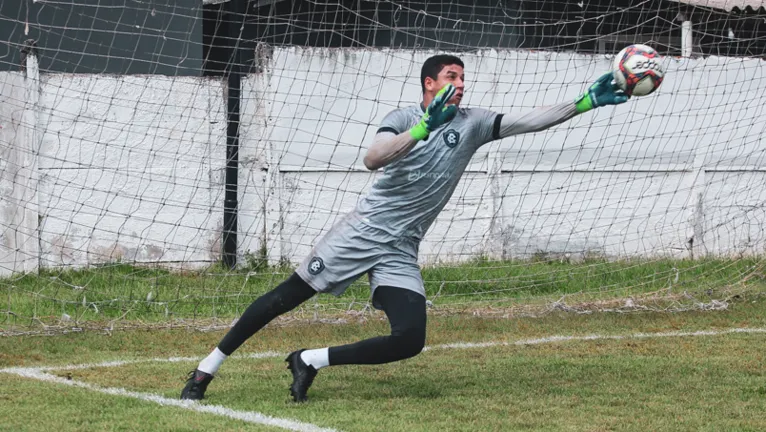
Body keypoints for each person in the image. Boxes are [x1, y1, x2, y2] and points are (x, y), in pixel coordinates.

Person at [181, 54, 628, 402]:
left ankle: (309, 360)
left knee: (410, 338)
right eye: (452, 76)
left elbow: (528, 121)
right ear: (429, 83)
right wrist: (421, 129)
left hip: (401, 248)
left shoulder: (471, 123)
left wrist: (584, 103)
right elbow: (373, 158)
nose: (461, 83)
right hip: (362, 232)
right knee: (285, 297)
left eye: (463, 77)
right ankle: (206, 368)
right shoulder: (401, 119)